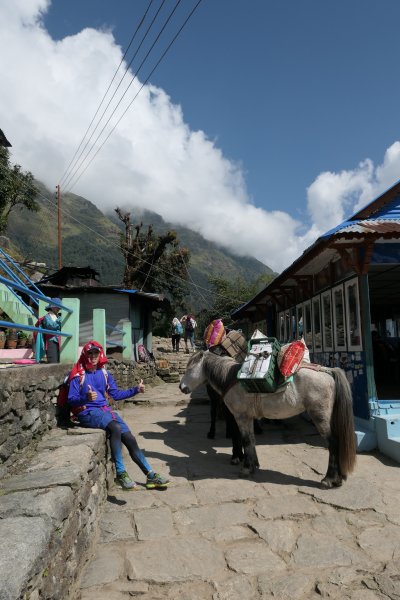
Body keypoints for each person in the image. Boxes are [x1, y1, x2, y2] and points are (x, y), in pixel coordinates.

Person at [67, 340, 170, 491]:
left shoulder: (104, 373)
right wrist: (86, 398)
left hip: (104, 411)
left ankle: (150, 474)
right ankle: (121, 473)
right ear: (84, 355)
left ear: (100, 354)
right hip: (86, 412)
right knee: (115, 428)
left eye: (96, 353)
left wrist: (136, 390)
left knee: (129, 438)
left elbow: (115, 394)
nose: (93, 356)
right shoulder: (78, 375)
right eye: (90, 353)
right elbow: (71, 400)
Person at [37, 297, 62, 363]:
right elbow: (51, 326)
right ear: (52, 307)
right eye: (57, 307)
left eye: (59, 307)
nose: (59, 308)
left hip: (58, 340)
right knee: (53, 361)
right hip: (51, 340)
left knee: (59, 360)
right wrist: (60, 321)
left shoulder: (58, 317)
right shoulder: (47, 317)